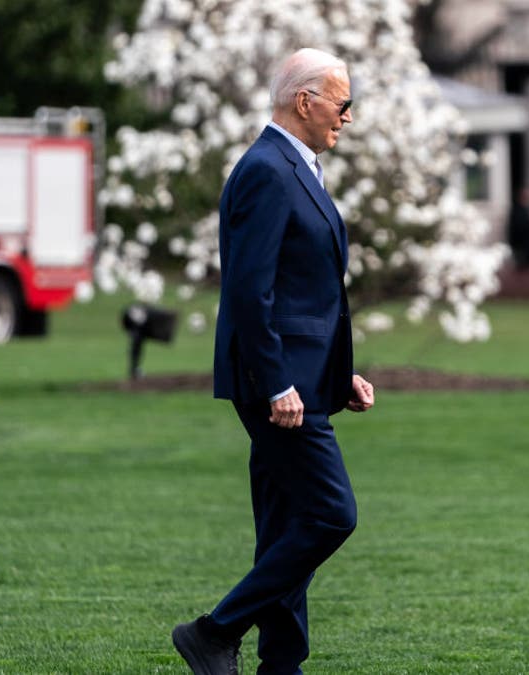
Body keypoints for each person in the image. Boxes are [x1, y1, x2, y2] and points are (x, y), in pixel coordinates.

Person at [171, 47, 376, 675]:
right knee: (331, 514)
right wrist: (276, 382)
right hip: (275, 386)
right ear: (305, 101)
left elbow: (301, 293)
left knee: (286, 523)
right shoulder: (267, 169)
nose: (348, 117)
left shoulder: (296, 167)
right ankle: (214, 631)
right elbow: (248, 292)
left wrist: (338, 376)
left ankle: (280, 665)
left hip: (302, 380)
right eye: (343, 104)